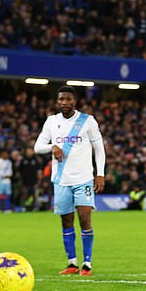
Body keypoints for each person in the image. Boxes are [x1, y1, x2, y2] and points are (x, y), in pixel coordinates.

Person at [34, 85, 106, 276]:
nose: (64, 103)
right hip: (61, 180)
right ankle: (72, 263)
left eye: (68, 99)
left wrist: (100, 174)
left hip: (83, 178)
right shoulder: (51, 122)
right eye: (61, 99)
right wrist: (53, 147)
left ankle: (87, 264)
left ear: (75, 101)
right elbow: (37, 146)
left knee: (84, 218)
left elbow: (99, 149)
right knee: (66, 221)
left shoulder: (87, 121)